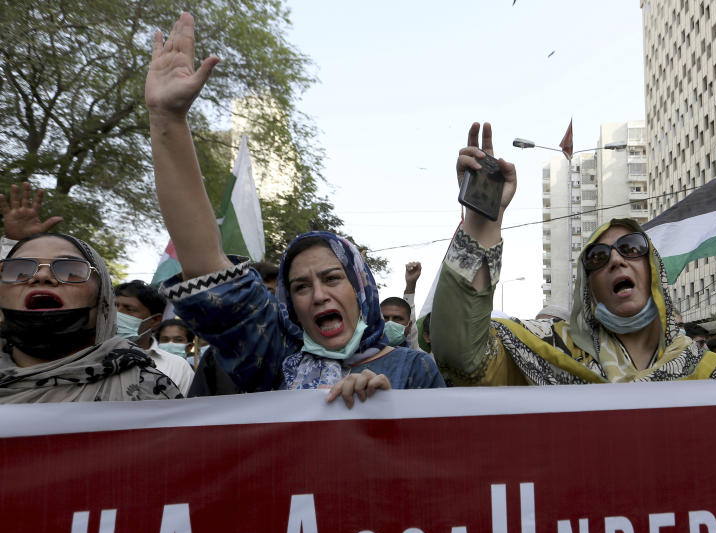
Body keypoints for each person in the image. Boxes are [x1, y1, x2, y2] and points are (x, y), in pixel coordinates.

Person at [146, 13, 443, 406]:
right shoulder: (271, 359)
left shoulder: (415, 369)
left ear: (360, 289)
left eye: (332, 278)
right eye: (301, 287)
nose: (318, 295)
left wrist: (385, 412)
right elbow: (205, 265)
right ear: (290, 308)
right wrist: (167, 120)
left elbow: (442, 456)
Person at [431, 122, 716, 385]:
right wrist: (482, 221)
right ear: (588, 287)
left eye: (631, 249)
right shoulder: (547, 349)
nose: (616, 260)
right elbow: (462, 357)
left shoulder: (707, 372)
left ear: (653, 268)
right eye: (598, 258)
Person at [0, 232, 181, 402]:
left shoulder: (149, 392)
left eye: (70, 270)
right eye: (19, 270)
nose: (42, 275)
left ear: (103, 302)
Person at [115, 280, 195, 395]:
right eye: (114, 306)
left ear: (154, 321)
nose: (116, 314)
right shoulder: (89, 356)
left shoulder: (178, 367)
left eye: (129, 309)